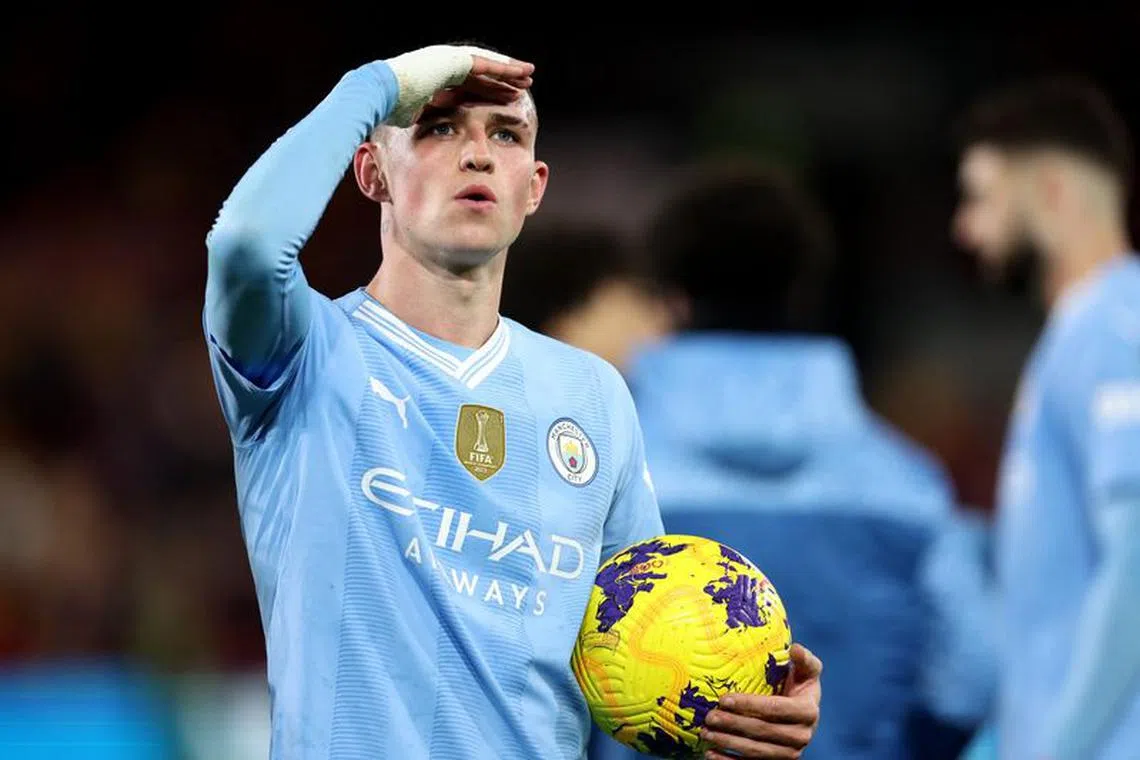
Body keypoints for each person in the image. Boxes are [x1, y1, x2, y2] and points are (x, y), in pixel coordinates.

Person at [202, 43, 822, 759]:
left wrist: (731, 718)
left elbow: (641, 670)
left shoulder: (595, 395)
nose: (477, 155)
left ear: (533, 187)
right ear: (372, 171)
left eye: (506, 135)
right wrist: (375, 87)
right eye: (437, 128)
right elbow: (246, 244)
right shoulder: (303, 352)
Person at [503, 166, 995, 760]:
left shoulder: (594, 474)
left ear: (672, 301)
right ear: (804, 292)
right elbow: (971, 680)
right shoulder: (908, 486)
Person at [951, 75, 1140, 760]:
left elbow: (1138, 555)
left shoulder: (1117, 327)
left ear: (1053, 188)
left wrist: (1054, 748)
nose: (964, 227)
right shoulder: (1082, 334)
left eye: (981, 197)